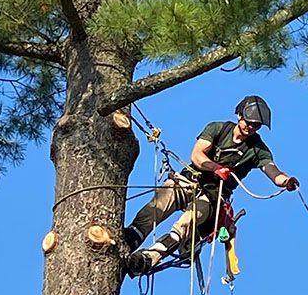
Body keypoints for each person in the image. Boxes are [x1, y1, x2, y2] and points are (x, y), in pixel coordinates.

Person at [124, 95, 299, 275]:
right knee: (157, 206)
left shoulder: (258, 149)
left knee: (186, 223)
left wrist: (286, 181)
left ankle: (148, 258)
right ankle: (130, 239)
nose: (251, 128)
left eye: (256, 125)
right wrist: (216, 168)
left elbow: (272, 170)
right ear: (239, 115)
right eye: (249, 122)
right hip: (189, 181)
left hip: (212, 196)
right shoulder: (218, 129)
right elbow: (197, 155)